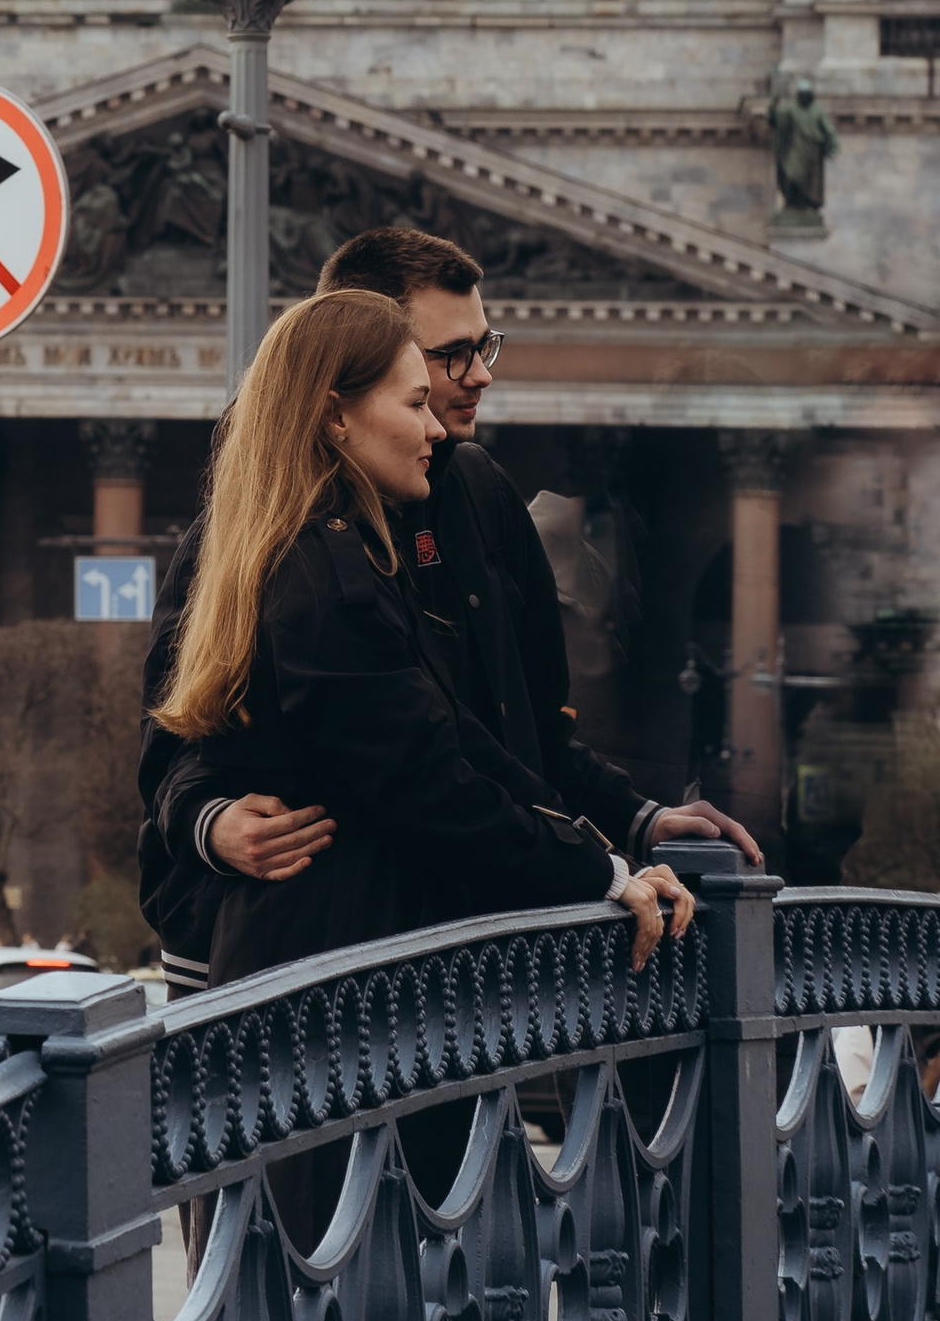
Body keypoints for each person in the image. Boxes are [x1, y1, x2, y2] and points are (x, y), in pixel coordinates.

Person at [137, 223, 758, 991]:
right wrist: (211, 824)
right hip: (335, 954)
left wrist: (626, 825)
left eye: (484, 346)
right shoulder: (282, 551)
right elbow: (181, 736)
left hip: (445, 931)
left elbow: (510, 735)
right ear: (349, 383)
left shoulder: (474, 495)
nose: (476, 379)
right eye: (440, 364)